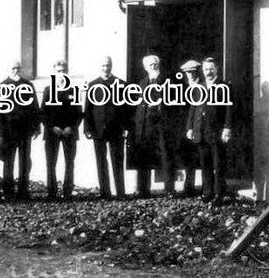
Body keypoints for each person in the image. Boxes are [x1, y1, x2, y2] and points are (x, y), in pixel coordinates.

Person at [185, 56, 234, 204]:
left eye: (211, 69)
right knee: (205, 164)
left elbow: (229, 110)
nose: (208, 72)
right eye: (206, 69)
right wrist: (190, 128)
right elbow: (193, 108)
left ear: (217, 69)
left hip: (216, 132)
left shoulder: (224, 86)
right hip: (201, 131)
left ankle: (219, 194)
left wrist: (227, 128)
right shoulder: (199, 86)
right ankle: (208, 193)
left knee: (218, 165)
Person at [0, 61, 39, 200]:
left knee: (25, 161)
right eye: (13, 68)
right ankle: (8, 192)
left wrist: (36, 127)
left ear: (21, 69)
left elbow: (34, 107)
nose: (15, 70)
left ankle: (23, 191)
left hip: (25, 130)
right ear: (8, 70)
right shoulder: (1, 87)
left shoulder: (28, 85)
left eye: (18, 68)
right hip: (8, 132)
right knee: (8, 161)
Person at [83, 55, 128, 198]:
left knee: (117, 162)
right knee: (101, 162)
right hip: (98, 129)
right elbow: (88, 109)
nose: (106, 68)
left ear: (111, 66)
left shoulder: (121, 84)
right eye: (103, 65)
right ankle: (105, 193)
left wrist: (126, 127)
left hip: (116, 129)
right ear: (99, 67)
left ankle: (120, 192)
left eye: (108, 65)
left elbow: (126, 109)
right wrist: (87, 128)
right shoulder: (92, 84)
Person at [132, 53, 175, 196]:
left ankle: (169, 189)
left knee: (165, 155)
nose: (153, 66)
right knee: (144, 155)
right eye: (150, 65)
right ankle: (143, 189)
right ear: (146, 68)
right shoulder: (142, 83)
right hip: (146, 124)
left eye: (155, 64)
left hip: (162, 124)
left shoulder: (167, 81)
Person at [41, 59, 82, 200]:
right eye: (59, 71)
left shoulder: (74, 90)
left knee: (69, 163)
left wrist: (71, 127)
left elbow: (79, 113)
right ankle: (51, 192)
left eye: (64, 70)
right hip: (52, 132)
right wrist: (53, 127)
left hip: (69, 132)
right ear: (54, 72)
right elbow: (43, 113)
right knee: (50, 163)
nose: (62, 73)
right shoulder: (48, 91)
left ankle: (67, 192)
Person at [173, 59, 203, 196]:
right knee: (187, 157)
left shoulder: (202, 86)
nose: (190, 75)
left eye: (192, 72)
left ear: (197, 72)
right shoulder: (182, 87)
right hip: (184, 127)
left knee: (201, 155)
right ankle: (188, 186)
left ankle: (205, 186)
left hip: (199, 126)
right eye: (187, 73)